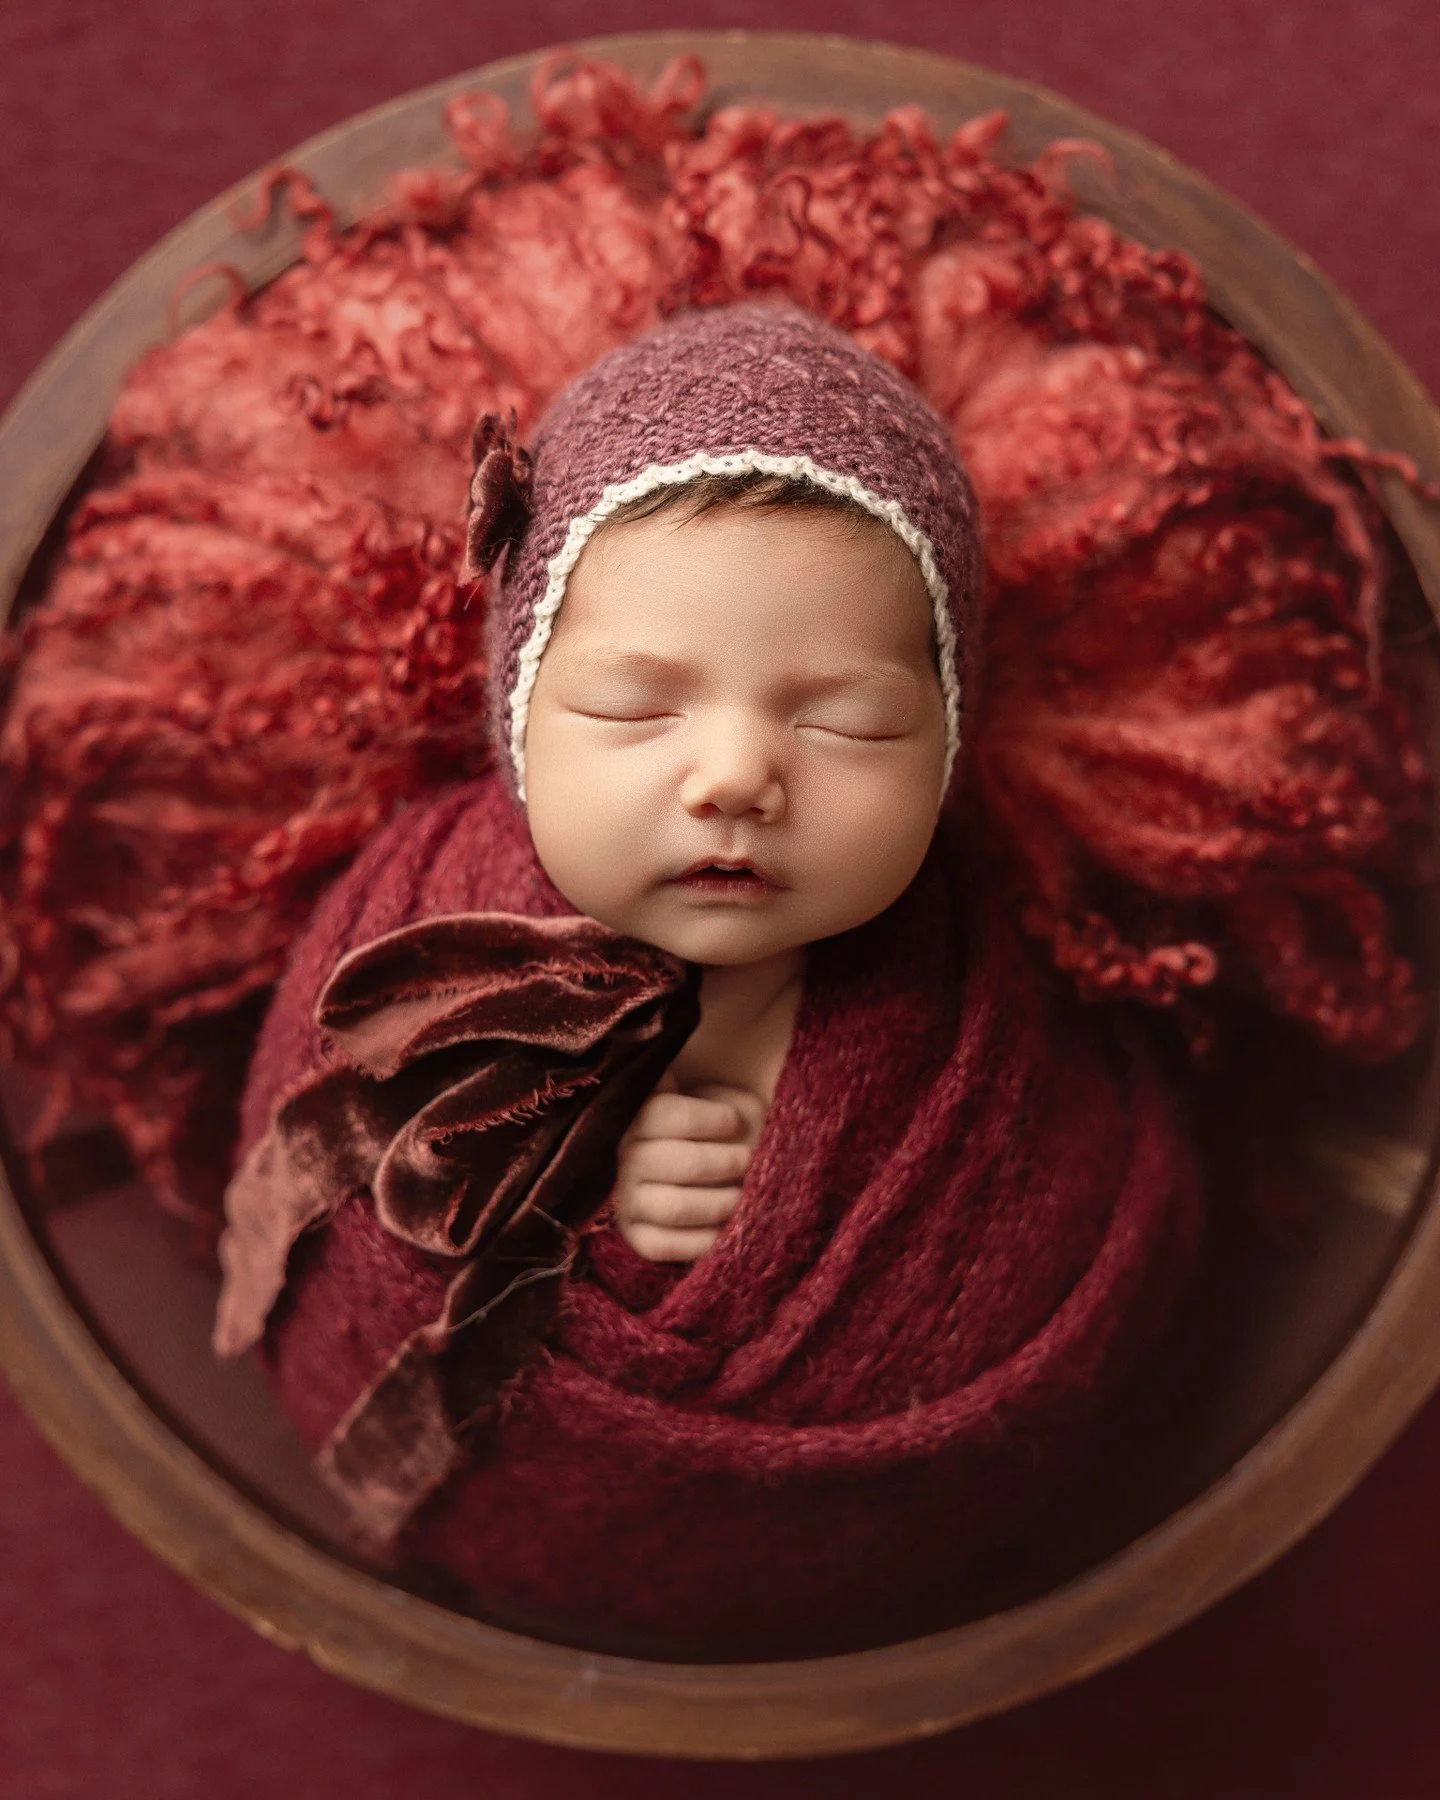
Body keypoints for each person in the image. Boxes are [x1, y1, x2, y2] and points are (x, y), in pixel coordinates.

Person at [214, 299, 1201, 1658]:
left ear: (952, 745)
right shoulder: (406, 933)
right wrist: (571, 1179)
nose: (736, 777)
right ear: (517, 715)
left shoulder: (992, 1010)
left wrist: (799, 1185)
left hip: (867, 1576)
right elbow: (328, 1151)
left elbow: (1071, 1217)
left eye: (846, 720)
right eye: (633, 708)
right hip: (507, 1509)